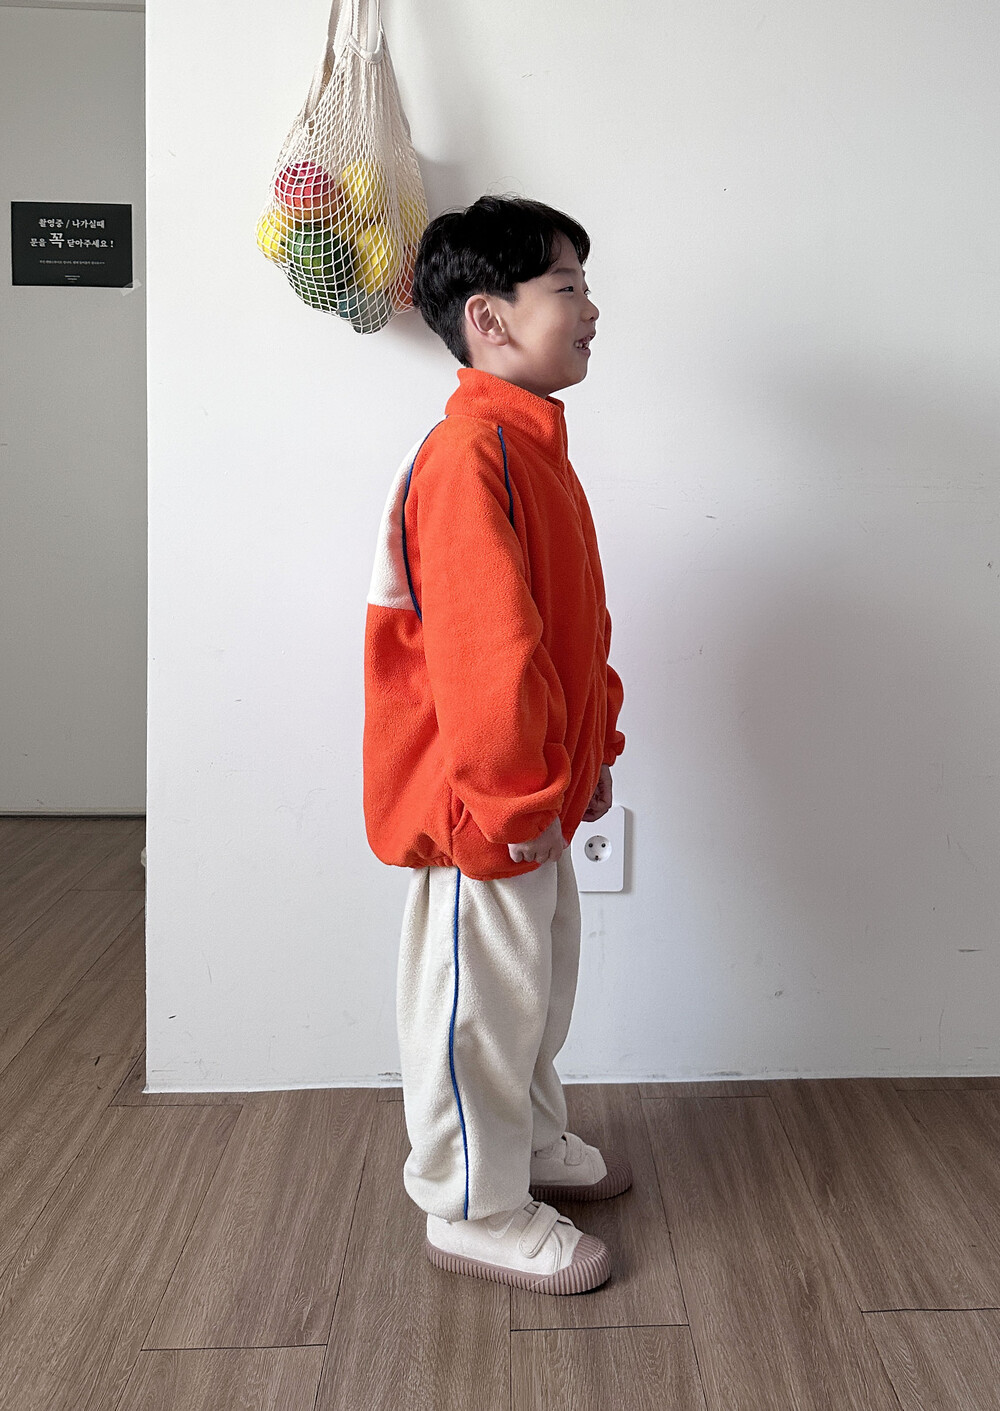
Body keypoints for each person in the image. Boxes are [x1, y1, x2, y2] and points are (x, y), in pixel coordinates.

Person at [362, 195, 629, 1295]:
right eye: (566, 288)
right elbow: (485, 654)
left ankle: (525, 1142)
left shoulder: (533, 448)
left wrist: (593, 751)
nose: (591, 309)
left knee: (535, 991)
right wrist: (517, 799)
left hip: (535, 790)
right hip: (484, 804)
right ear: (489, 316)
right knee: (479, 1003)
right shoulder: (469, 456)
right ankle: (471, 1204)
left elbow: (574, 626)